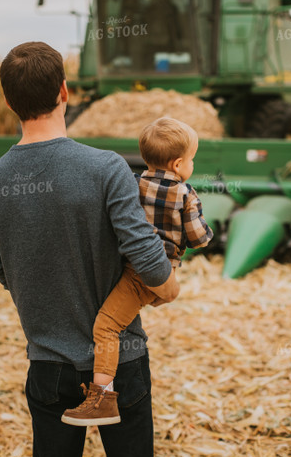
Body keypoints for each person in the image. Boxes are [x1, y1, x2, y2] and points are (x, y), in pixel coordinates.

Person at [0, 41, 179, 457]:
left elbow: (1, 266)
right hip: (122, 363)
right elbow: (145, 254)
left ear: (10, 102)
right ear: (64, 91)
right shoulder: (106, 168)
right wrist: (168, 288)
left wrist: (44, 293)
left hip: (48, 363)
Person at [61, 117, 213, 427]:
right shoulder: (186, 194)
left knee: (106, 326)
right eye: (193, 160)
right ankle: (102, 400)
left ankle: (102, 397)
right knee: (113, 322)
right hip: (158, 271)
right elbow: (199, 238)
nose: (192, 166)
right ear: (180, 163)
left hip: (137, 272)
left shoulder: (132, 183)